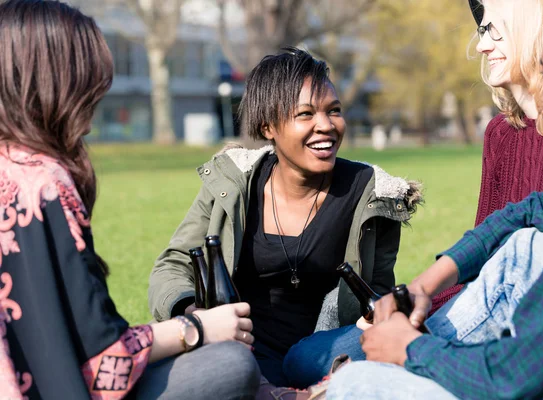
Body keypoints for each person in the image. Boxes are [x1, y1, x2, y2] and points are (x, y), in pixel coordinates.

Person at [325, 0, 543, 398]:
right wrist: (426, 285)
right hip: (496, 323)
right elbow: (523, 214)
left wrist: (411, 349)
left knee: (354, 381)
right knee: (525, 242)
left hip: (528, 359)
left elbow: (518, 376)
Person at [0, 1, 260, 399]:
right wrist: (199, 329)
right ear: (55, 81)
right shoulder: (42, 184)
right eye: (89, 77)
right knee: (230, 364)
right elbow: (106, 363)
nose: (98, 91)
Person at [148, 47, 422, 388]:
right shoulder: (234, 183)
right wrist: (196, 316)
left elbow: (375, 292)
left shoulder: (371, 194)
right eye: (305, 114)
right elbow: (173, 266)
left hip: (323, 354)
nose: (326, 126)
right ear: (268, 127)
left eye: (333, 111)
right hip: (238, 350)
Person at [432, 0, 543, 313]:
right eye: (482, 31)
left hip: (538, 322)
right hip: (482, 303)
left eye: (493, 31)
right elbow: (483, 244)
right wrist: (423, 305)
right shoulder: (500, 133)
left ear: (530, 31)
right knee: (318, 349)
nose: (482, 45)